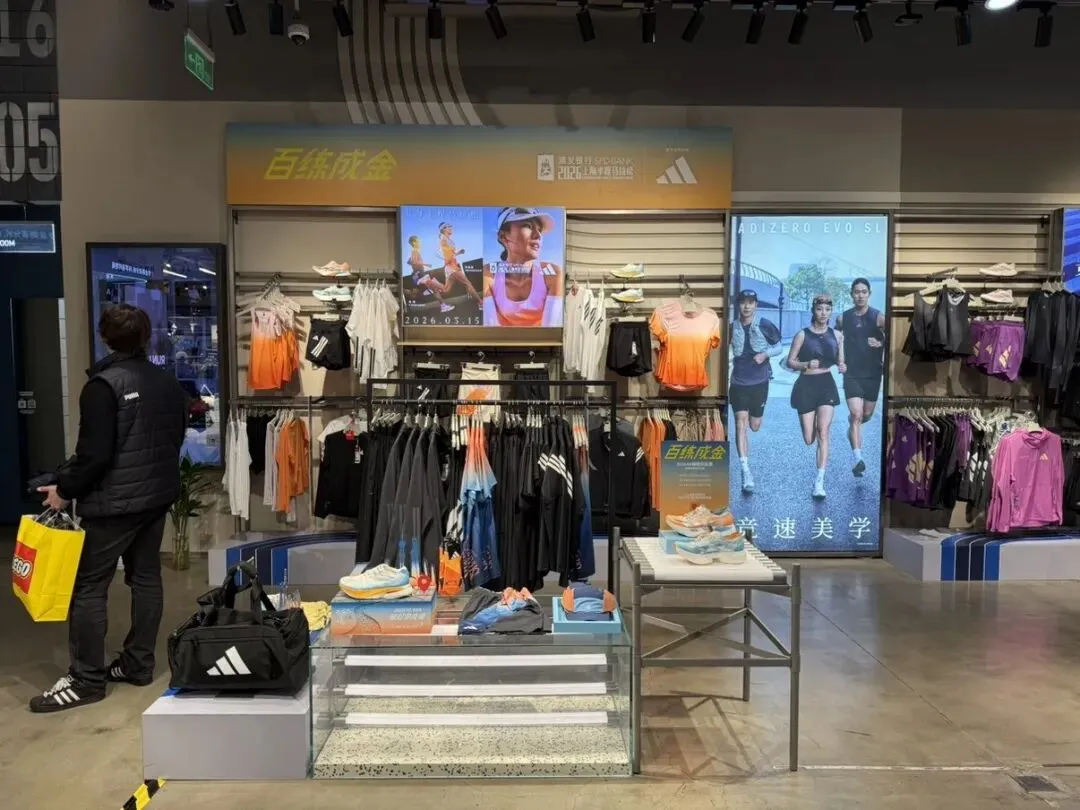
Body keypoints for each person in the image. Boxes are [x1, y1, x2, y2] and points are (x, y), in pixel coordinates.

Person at [32, 304, 188, 713]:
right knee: (147, 578)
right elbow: (174, 437)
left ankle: (86, 679)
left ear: (104, 338)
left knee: (89, 587)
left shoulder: (102, 386)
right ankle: (138, 664)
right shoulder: (167, 382)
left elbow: (95, 454)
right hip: (156, 496)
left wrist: (64, 488)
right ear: (146, 337)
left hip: (113, 504)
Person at [786, 294, 845, 500]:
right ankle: (810, 435)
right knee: (809, 439)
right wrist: (804, 364)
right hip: (806, 385)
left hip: (826, 384)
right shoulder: (802, 335)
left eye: (827, 310)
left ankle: (819, 482)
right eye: (820, 309)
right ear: (814, 310)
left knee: (824, 432)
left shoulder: (837, 335)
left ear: (831, 312)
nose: (823, 313)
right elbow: (790, 361)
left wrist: (842, 366)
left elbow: (841, 361)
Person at [727, 289, 783, 493]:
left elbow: (779, 347)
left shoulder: (765, 324)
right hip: (738, 382)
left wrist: (765, 354)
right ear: (738, 305)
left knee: (755, 425)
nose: (747, 306)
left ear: (756, 305)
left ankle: (754, 419)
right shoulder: (731, 327)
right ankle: (745, 470)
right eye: (743, 302)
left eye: (751, 302)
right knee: (740, 424)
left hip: (759, 382)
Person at [836, 277, 886, 477]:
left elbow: (893, 339)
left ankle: (853, 425)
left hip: (873, 373)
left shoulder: (878, 317)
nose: (860, 295)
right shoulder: (843, 318)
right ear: (851, 294)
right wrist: (839, 361)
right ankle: (858, 459)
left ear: (869, 294)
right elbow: (834, 341)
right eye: (857, 292)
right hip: (852, 374)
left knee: (865, 415)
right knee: (856, 415)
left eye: (864, 292)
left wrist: (880, 343)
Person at [482, 207, 564, 327]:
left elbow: (550, 330)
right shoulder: (488, 274)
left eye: (539, 230)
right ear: (503, 237)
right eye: (528, 226)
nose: (538, 235)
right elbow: (490, 328)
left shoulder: (552, 273)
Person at [438, 222, 483, 306]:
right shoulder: (443, 239)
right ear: (444, 229)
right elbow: (447, 255)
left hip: (449, 267)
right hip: (451, 266)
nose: (451, 228)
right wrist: (451, 264)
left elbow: (451, 254)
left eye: (451, 226)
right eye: (448, 227)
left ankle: (433, 286)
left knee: (446, 290)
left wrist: (459, 252)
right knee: (468, 283)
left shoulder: (449, 240)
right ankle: (481, 303)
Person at [406, 235, 454, 313]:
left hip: (422, 275)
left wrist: (414, 264)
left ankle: (440, 303)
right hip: (421, 276)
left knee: (437, 289)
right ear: (414, 242)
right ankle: (441, 304)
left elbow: (409, 262)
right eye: (418, 241)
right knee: (442, 288)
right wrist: (426, 264)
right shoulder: (414, 251)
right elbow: (414, 262)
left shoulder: (415, 251)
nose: (420, 242)